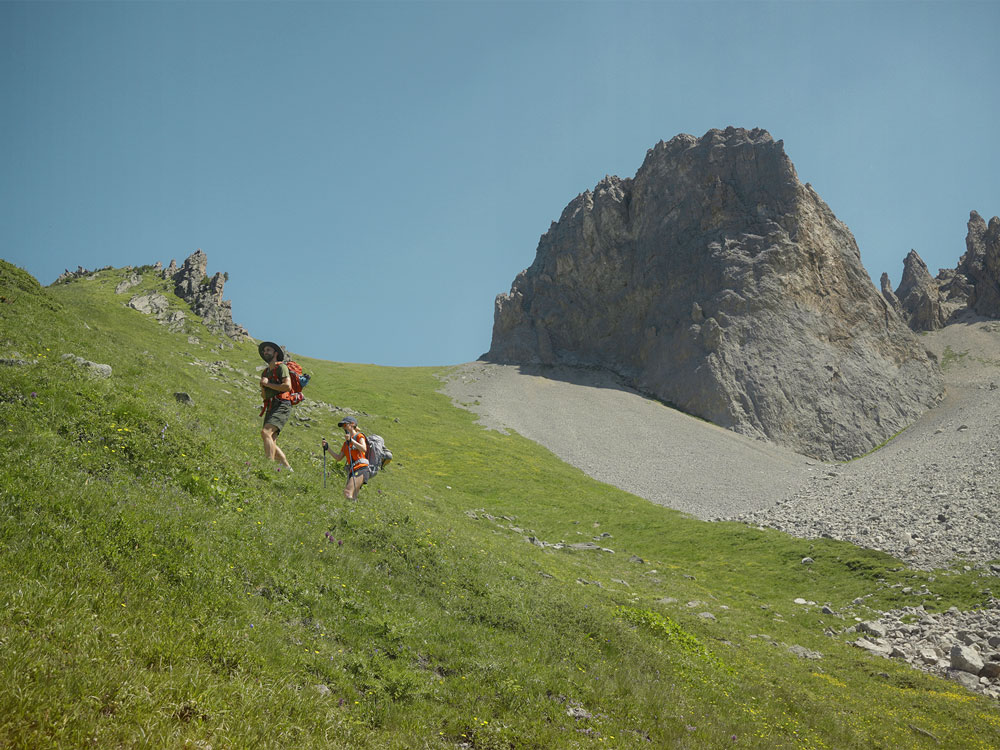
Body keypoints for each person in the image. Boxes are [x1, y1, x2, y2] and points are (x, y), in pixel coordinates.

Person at [258, 340, 294, 472]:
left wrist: (267, 384)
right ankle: (287, 468)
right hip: (270, 405)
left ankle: (268, 466)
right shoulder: (265, 372)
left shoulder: (281, 367)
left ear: (275, 353)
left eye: (268, 350)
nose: (265, 352)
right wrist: (263, 386)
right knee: (271, 440)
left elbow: (287, 386)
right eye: (264, 350)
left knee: (265, 432)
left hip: (282, 404)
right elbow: (264, 396)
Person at [323, 416, 369, 499]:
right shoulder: (345, 444)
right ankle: (352, 510)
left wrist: (352, 441)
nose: (343, 428)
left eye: (345, 425)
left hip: (361, 468)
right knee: (352, 496)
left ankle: (348, 509)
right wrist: (327, 448)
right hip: (352, 469)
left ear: (352, 424)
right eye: (342, 426)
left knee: (347, 492)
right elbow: (338, 458)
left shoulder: (359, 436)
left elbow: (364, 448)